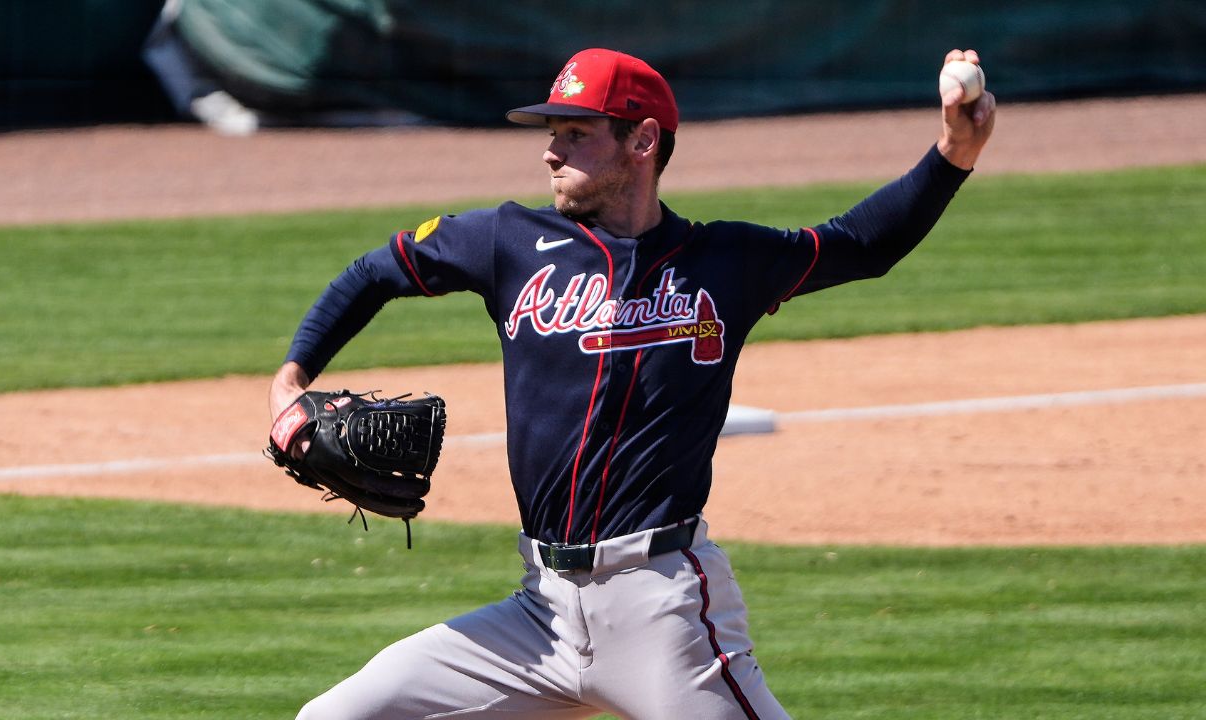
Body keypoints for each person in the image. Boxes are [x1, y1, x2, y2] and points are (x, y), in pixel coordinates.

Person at [271, 47, 996, 720]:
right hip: (537, 617)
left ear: (642, 142)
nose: (551, 149)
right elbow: (377, 271)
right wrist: (292, 378)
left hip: (663, 612)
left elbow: (860, 245)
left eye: (577, 132)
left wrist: (953, 155)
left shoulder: (724, 262)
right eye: (552, 130)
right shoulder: (508, 242)